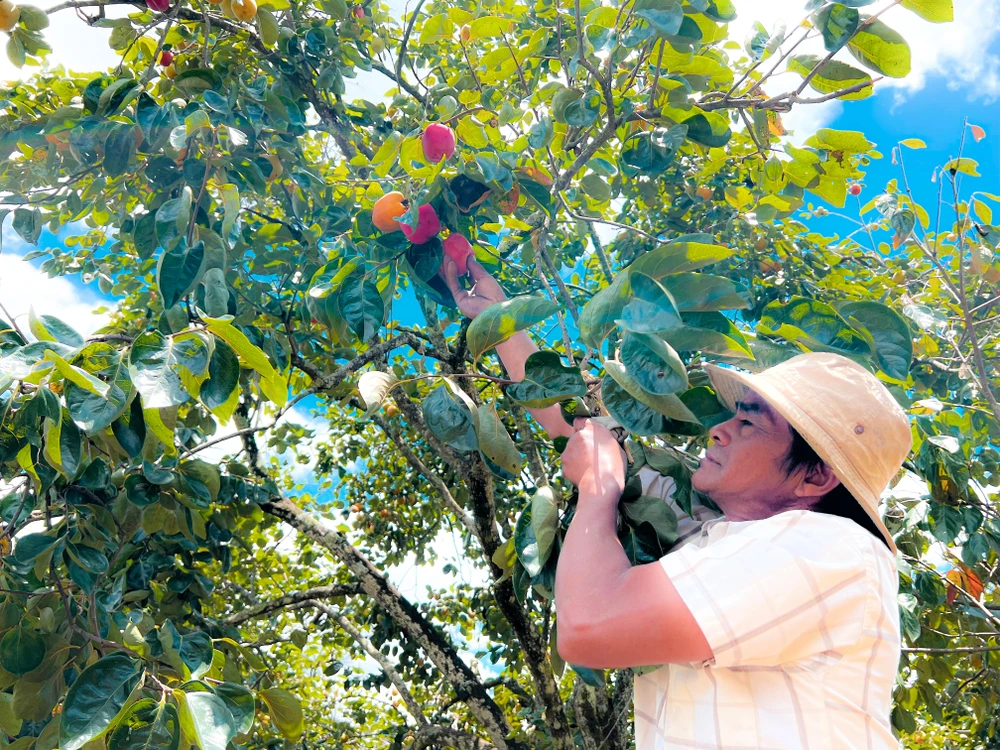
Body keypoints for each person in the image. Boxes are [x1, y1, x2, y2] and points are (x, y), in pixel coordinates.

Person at [442, 255, 913, 749]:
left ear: (816, 475)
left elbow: (588, 626)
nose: (718, 430)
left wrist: (599, 488)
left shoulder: (830, 549)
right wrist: (499, 317)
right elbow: (578, 429)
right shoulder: (714, 536)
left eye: (748, 423)